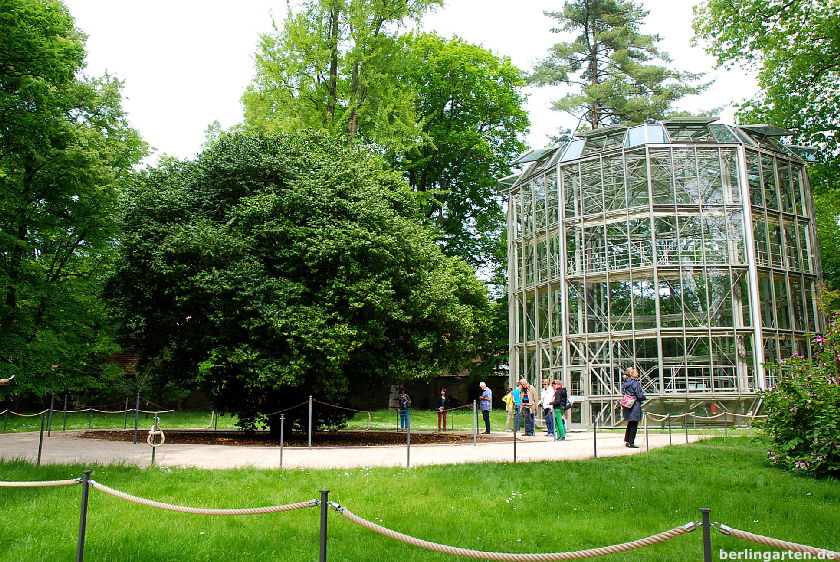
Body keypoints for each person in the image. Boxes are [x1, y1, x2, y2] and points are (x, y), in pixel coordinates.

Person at [621, 367, 646, 448]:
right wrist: (643, 398)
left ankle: (627, 440)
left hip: (627, 404)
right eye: (636, 372)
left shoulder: (625, 382)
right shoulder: (635, 383)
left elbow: (623, 392)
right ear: (631, 374)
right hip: (634, 404)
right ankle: (631, 442)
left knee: (630, 423)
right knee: (634, 424)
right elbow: (639, 394)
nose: (637, 373)